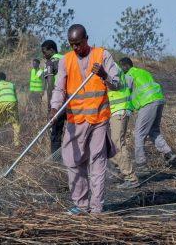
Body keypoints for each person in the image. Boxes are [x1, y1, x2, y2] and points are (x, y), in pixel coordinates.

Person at [49, 24, 121, 214]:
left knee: (97, 163)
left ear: (87, 39)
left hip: (99, 120)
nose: (75, 48)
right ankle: (81, 205)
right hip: (75, 121)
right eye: (72, 44)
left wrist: (103, 75)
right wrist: (54, 108)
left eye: (78, 44)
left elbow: (116, 84)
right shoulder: (66, 60)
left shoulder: (102, 55)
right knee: (73, 162)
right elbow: (59, 88)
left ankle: (96, 208)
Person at [120, 57, 176, 168]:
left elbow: (126, 94)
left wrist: (127, 109)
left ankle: (141, 163)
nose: (121, 70)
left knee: (139, 134)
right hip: (159, 100)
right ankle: (169, 154)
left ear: (126, 66)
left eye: (121, 66)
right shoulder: (143, 72)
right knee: (153, 130)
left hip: (148, 103)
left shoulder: (128, 76)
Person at [107, 60, 139, 189]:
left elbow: (115, 86)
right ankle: (120, 170)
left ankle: (130, 178)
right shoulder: (110, 67)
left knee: (118, 143)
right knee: (110, 144)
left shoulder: (110, 68)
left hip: (119, 110)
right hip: (116, 111)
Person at [41, 39, 65, 156]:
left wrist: (51, 106)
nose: (44, 56)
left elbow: (50, 84)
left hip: (59, 102)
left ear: (52, 50)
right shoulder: (66, 58)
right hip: (72, 101)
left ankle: (56, 164)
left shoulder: (50, 62)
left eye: (45, 52)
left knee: (55, 133)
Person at [0, 72, 20, 147]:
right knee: (16, 124)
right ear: (5, 79)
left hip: (1, 103)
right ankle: (17, 143)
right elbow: (16, 99)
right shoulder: (12, 85)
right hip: (13, 103)